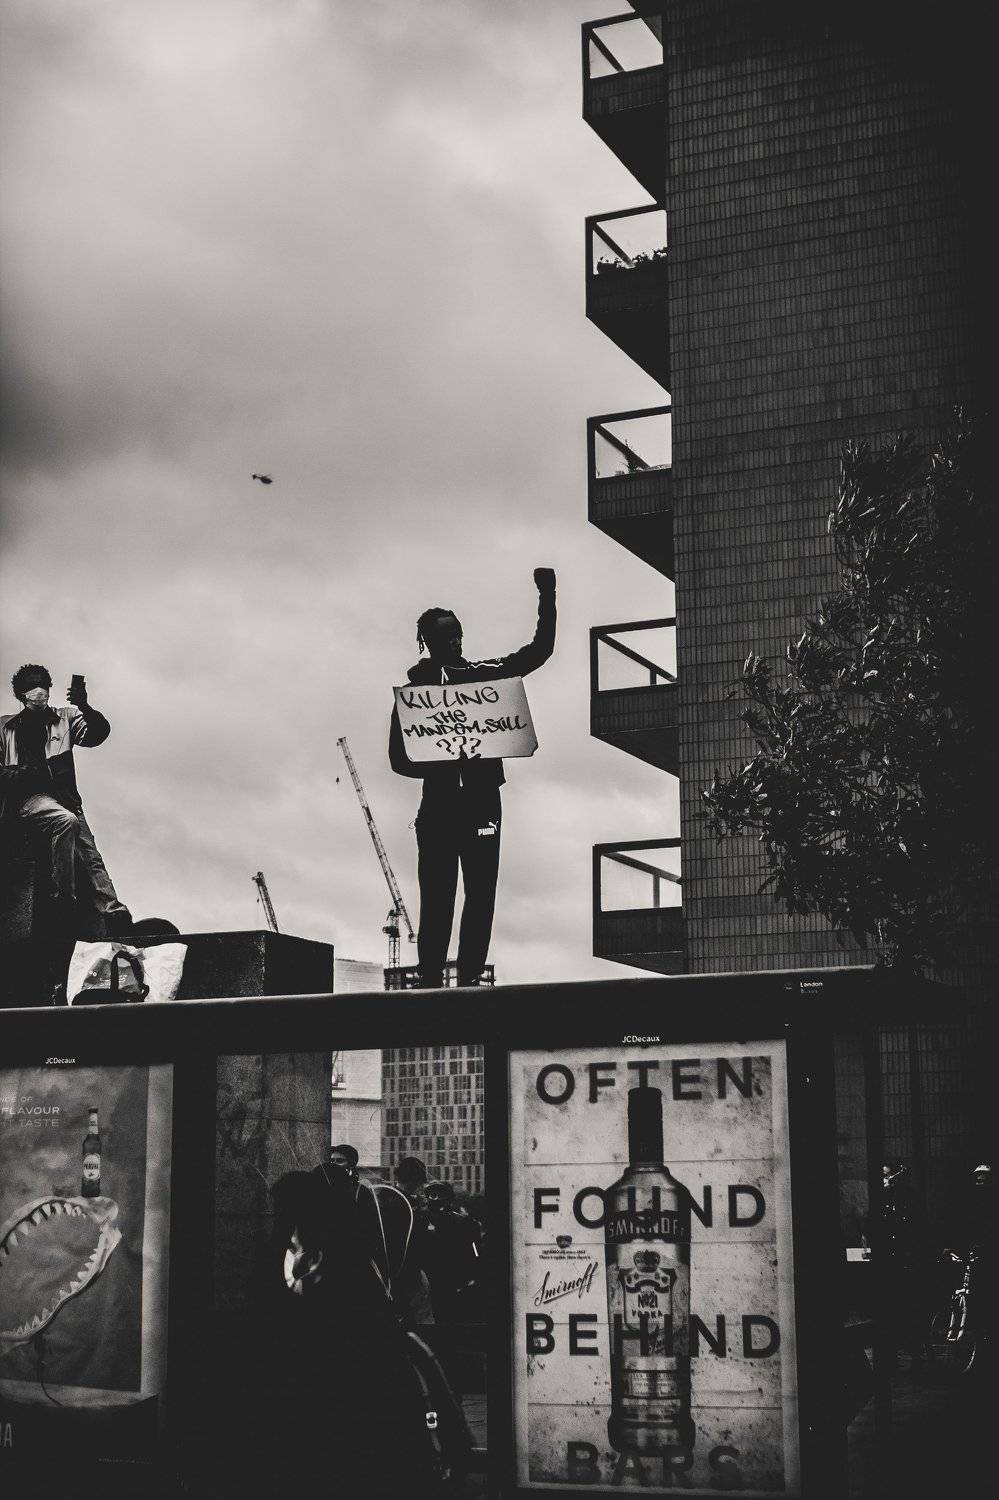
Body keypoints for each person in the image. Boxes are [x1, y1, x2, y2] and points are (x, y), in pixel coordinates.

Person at [389, 567, 556, 987]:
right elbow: (399, 759)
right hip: (445, 806)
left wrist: (547, 595)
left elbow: (539, 651)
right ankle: (432, 981)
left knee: (477, 895)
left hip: (476, 805)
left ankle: (466, 982)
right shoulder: (416, 696)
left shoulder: (482, 676)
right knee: (440, 897)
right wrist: (445, 757)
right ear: (428, 642)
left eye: (459, 634)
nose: (457, 642)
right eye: (448, 636)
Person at [0, 664, 130, 934]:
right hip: (29, 799)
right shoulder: (6, 727)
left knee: (90, 855)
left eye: (42, 684)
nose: (39, 691)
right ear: (21, 694)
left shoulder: (65, 718)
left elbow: (97, 734)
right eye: (31, 686)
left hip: (65, 798)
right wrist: (22, 774)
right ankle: (63, 900)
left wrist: (85, 706)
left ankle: (114, 912)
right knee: (65, 821)